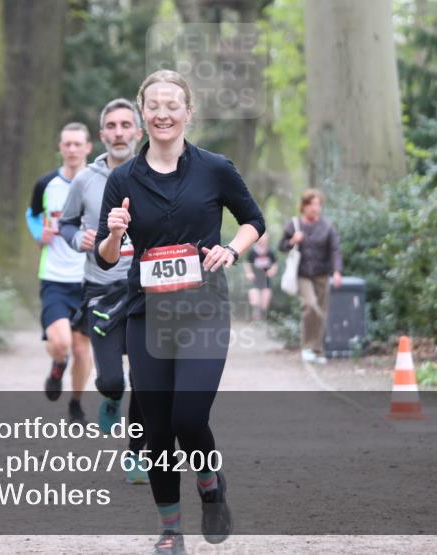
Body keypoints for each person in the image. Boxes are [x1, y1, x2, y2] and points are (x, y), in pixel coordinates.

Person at [95, 70, 265, 555]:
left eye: (173, 105)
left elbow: (254, 220)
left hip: (203, 309)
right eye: (154, 105)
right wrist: (113, 231)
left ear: (188, 112)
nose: (163, 113)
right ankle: (171, 531)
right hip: (146, 315)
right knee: (156, 431)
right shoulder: (123, 178)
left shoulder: (214, 169)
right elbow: (105, 257)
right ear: (142, 111)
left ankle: (210, 483)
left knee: (189, 419)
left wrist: (231, 251)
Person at [58, 98, 148, 484]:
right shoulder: (86, 180)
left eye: (126, 125)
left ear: (138, 132)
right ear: (101, 135)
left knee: (145, 379)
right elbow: (66, 223)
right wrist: (78, 238)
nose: (119, 133)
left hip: (145, 288)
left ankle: (136, 455)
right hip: (101, 289)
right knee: (112, 380)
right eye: (111, 126)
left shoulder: (155, 174)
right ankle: (111, 397)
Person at [25, 122, 94, 424]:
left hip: (90, 278)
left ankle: (76, 403)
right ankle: (57, 365)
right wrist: (40, 232)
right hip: (54, 276)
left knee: (82, 349)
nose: (73, 149)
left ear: (88, 147)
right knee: (62, 343)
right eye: (67, 144)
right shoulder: (45, 184)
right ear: (60, 148)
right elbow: (32, 214)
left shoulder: (99, 182)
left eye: (78, 144)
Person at [278, 189, 343, 364]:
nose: (316, 208)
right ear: (304, 206)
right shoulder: (294, 225)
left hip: (322, 273)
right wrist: (292, 241)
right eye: (312, 204)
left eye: (318, 204)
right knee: (310, 305)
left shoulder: (327, 226)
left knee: (321, 311)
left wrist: (337, 271)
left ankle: (317, 350)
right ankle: (307, 347)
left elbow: (335, 250)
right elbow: (281, 246)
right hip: (303, 273)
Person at [242, 233, 278, 321]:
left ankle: (263, 318)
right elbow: (246, 263)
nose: (262, 241)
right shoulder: (253, 252)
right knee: (255, 299)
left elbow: (275, 264)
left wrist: (272, 271)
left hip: (266, 280)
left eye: (264, 239)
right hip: (255, 279)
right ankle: (255, 316)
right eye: (261, 239)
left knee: (265, 301)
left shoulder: (270, 251)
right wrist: (249, 273)